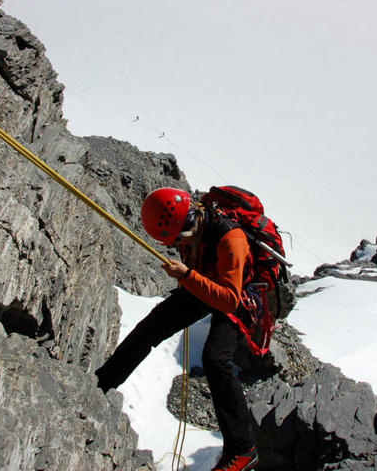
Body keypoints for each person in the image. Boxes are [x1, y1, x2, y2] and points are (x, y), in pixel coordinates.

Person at [95, 188, 259, 471]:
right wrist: (190, 276)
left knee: (215, 359)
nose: (180, 245)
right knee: (150, 328)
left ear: (191, 221)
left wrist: (187, 276)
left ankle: (242, 449)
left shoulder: (232, 239)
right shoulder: (192, 224)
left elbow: (229, 301)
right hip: (206, 278)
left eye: (181, 239)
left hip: (240, 294)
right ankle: (101, 384)